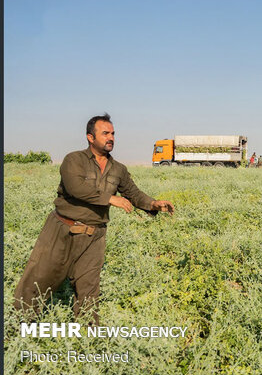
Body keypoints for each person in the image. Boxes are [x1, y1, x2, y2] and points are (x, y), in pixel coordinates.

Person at [13, 113, 175, 325]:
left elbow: (133, 193)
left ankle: (90, 342)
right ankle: (14, 331)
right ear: (90, 137)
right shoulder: (74, 160)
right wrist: (110, 199)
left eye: (113, 134)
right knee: (37, 282)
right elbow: (76, 188)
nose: (111, 138)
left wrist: (153, 204)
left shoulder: (118, 169)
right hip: (62, 231)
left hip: (94, 237)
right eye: (105, 133)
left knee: (89, 290)